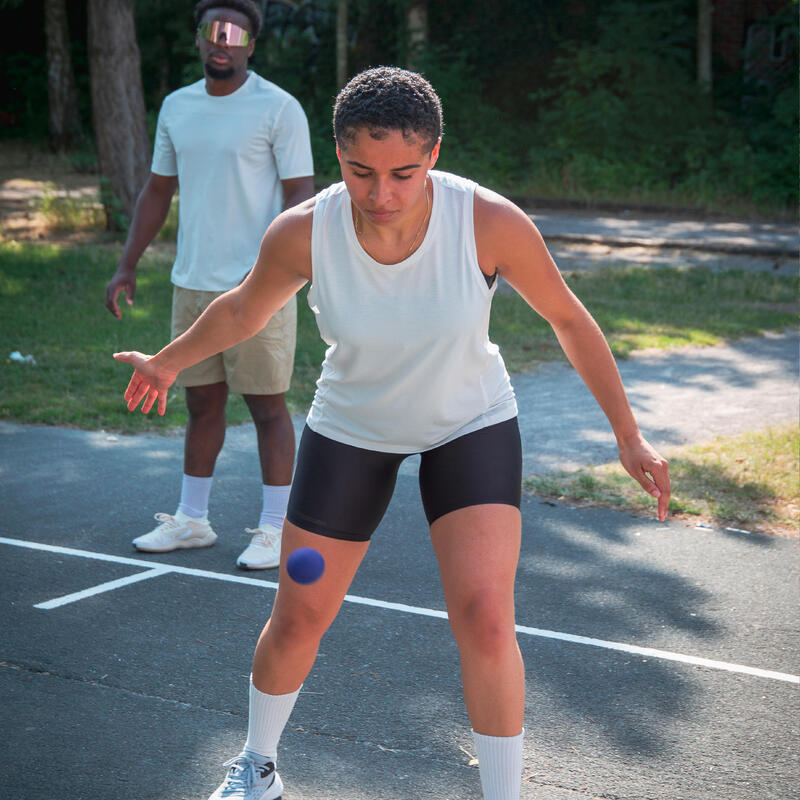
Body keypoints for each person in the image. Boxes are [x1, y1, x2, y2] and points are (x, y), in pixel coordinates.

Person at [114, 67, 671, 800]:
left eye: (403, 173)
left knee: (483, 616)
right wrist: (167, 360)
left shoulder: (487, 222)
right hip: (353, 429)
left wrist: (628, 436)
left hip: (468, 426)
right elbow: (244, 309)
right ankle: (257, 766)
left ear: (434, 154)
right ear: (337, 157)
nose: (381, 194)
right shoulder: (304, 231)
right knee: (299, 612)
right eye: (360, 172)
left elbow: (568, 318)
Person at [105, 0, 314, 570]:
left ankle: (276, 529)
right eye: (211, 31)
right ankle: (192, 520)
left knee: (268, 407)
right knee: (200, 404)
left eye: (234, 33)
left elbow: (302, 195)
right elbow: (156, 190)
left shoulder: (279, 107)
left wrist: (270, 267)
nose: (221, 41)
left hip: (258, 287)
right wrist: (127, 263)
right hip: (192, 282)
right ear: (198, 39)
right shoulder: (177, 107)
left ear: (252, 43)